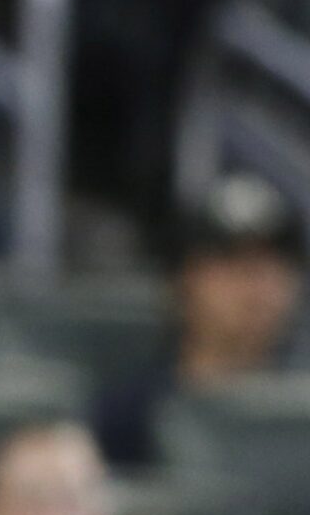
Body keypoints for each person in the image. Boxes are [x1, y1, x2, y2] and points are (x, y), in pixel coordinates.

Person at [96, 175, 305, 468]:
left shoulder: (299, 414)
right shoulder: (127, 417)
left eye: (276, 266)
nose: (260, 286)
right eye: (235, 263)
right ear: (184, 280)